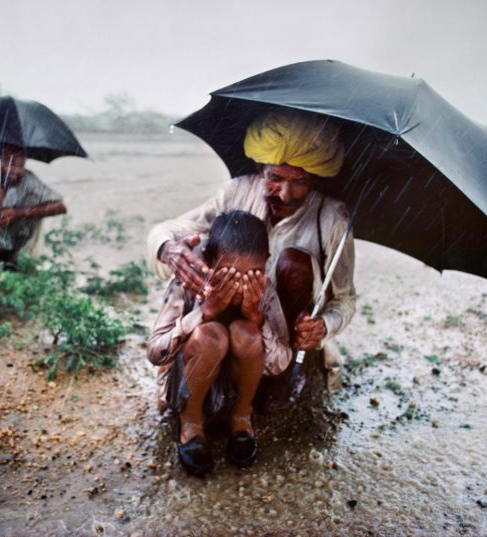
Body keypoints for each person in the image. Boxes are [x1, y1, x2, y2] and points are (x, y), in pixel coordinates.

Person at [147, 109, 357, 405]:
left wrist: (323, 326)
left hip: (281, 333)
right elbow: (170, 229)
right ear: (260, 166)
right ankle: (212, 374)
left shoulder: (332, 218)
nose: (285, 194)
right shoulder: (237, 193)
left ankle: (278, 380)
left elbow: (345, 299)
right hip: (226, 317)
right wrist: (167, 249)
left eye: (300, 181)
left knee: (294, 263)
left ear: (316, 177)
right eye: (275, 178)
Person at [147, 210, 292, 475]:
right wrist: (203, 313)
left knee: (246, 333)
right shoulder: (188, 282)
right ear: (209, 260)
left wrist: (258, 320)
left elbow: (281, 363)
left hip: (235, 389)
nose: (239, 287)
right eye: (227, 275)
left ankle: (241, 417)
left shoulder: (265, 291)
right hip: (186, 385)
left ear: (266, 263)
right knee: (211, 336)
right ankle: (190, 422)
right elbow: (156, 352)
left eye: (252, 275)